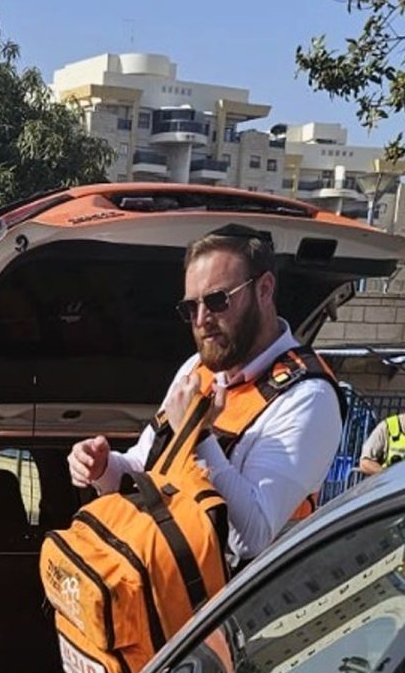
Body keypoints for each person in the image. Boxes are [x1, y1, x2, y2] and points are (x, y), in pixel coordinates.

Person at [68, 225, 343, 568]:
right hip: (174, 592)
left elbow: (251, 538)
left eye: (217, 301)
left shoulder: (307, 396)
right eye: (190, 308)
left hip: (244, 611)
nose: (201, 321)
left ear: (265, 289)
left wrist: (198, 433)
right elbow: (143, 464)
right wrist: (103, 467)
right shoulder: (197, 369)